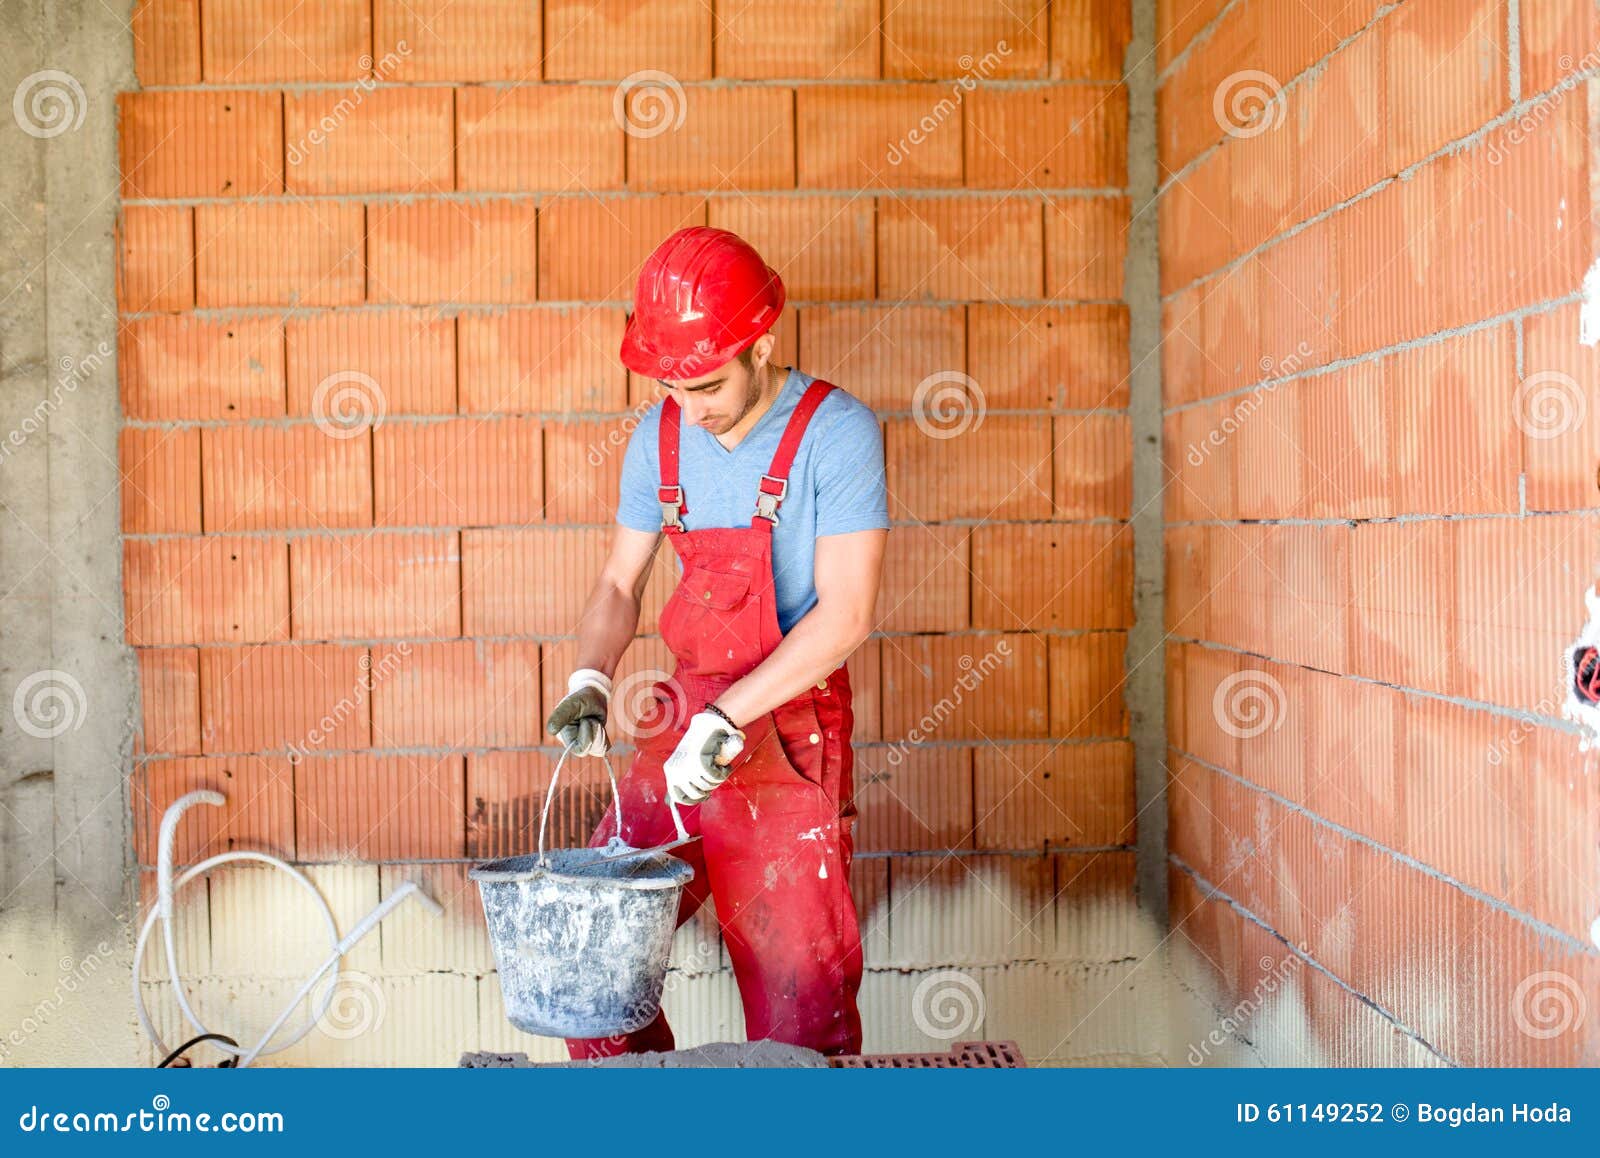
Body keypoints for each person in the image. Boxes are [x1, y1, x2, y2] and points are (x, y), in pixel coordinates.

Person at [545, 226, 889, 1057]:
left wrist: (731, 716)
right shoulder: (658, 438)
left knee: (797, 1014)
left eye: (704, 383)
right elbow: (619, 585)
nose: (688, 407)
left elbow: (844, 617)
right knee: (589, 946)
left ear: (762, 344)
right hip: (684, 718)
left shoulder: (836, 433)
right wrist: (589, 677)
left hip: (791, 728)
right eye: (669, 383)